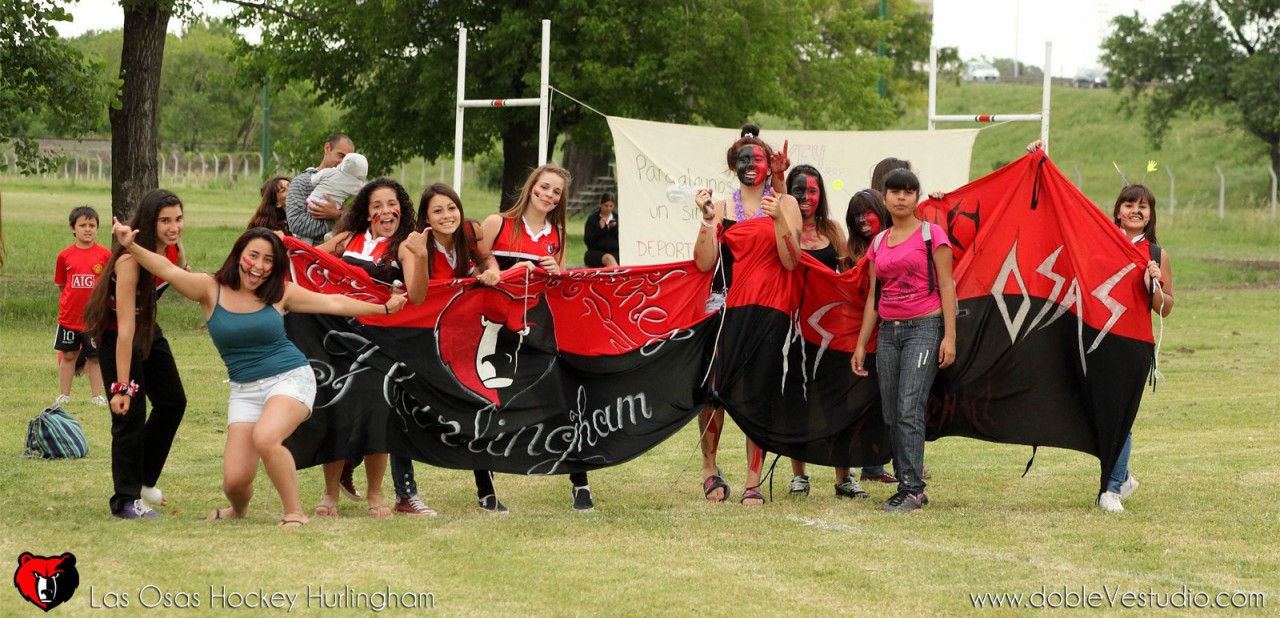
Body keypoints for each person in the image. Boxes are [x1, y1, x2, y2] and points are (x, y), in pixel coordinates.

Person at [109, 224, 408, 527]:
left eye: (268, 260)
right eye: (253, 256)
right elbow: (167, 269)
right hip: (245, 390)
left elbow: (334, 302)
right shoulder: (209, 289)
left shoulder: (280, 293)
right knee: (235, 482)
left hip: (290, 378)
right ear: (238, 254)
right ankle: (238, 510)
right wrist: (131, 246)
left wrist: (383, 308)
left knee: (266, 437)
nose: (259, 267)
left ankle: (294, 513)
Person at [477, 164, 598, 512]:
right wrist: (506, 272)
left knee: (560, 402)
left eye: (556, 192)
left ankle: (580, 484)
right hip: (495, 329)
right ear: (531, 186)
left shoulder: (556, 233)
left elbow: (559, 287)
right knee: (489, 404)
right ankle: (486, 491)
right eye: (544, 187)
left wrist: (558, 273)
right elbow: (476, 269)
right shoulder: (497, 223)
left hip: (537, 330)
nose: (548, 195)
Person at [693, 124, 802, 506]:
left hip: (769, 309)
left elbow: (792, 261)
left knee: (758, 391)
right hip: (725, 309)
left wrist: (778, 220)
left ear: (769, 164)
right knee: (714, 392)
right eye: (744, 159)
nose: (751, 165)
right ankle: (709, 468)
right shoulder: (722, 207)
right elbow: (703, 262)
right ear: (733, 165)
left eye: (758, 158)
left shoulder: (785, 203)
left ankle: (752, 480)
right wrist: (707, 220)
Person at [312, 178, 429, 518]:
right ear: (366, 213)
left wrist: (421, 256)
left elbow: (417, 295)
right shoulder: (348, 239)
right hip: (338, 335)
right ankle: (330, 494)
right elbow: (310, 260)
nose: (384, 211)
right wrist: (281, 245)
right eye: (376, 205)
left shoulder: (404, 246)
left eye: (391, 204)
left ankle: (376, 495)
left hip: (381, 341)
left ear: (401, 209)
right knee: (336, 412)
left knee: (379, 415)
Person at [384, 183, 500, 516]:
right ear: (425, 218)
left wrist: (492, 270)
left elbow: (485, 258)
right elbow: (418, 295)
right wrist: (421, 256)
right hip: (416, 338)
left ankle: (487, 492)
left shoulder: (470, 231)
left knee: (477, 404)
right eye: (437, 210)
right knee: (404, 409)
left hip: (459, 337)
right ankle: (404, 493)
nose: (447, 216)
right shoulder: (412, 244)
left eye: (451, 207)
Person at [852, 168, 957, 512]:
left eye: (908, 192)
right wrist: (861, 344)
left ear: (916, 198)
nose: (901, 197)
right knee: (891, 411)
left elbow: (947, 287)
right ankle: (904, 480)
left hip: (924, 328)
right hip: (887, 332)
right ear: (884, 198)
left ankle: (913, 489)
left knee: (910, 406)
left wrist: (950, 336)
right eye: (895, 191)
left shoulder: (932, 235)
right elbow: (873, 297)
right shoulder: (879, 242)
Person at [83, 189, 190, 519]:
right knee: (129, 414)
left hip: (147, 330)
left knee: (172, 402)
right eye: (165, 221)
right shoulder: (129, 262)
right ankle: (125, 500)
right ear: (150, 221)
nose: (174, 227)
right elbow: (125, 330)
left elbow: (183, 272)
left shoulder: (170, 249)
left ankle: (143, 480)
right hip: (118, 335)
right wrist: (122, 387)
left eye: (178, 219)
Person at [780, 166, 870, 500]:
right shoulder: (783, 228)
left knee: (838, 402)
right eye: (798, 191)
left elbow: (848, 276)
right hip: (793, 328)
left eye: (812, 191)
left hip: (832, 331)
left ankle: (844, 477)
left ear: (821, 195)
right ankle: (799, 475)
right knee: (798, 402)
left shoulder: (833, 230)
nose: (806, 198)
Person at [53, 206, 111, 407]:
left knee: (94, 357)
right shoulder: (64, 256)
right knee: (69, 355)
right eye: (83, 225)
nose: (87, 229)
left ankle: (97, 396)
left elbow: (108, 285)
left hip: (94, 319)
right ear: (73, 228)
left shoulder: (105, 255)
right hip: (69, 318)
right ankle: (64, 395)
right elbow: (62, 285)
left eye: (92, 225)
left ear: (97, 228)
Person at [286, 133, 355, 246]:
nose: (343, 163)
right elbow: (297, 224)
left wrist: (336, 214)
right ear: (327, 148)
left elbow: (357, 223)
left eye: (348, 160)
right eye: (341, 156)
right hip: (309, 254)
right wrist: (334, 220)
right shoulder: (302, 182)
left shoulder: (351, 188)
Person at [583, 192, 619, 267]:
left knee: (613, 258)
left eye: (611, 206)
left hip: (615, 252)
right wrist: (600, 229)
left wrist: (615, 228)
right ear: (600, 204)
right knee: (608, 258)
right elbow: (587, 240)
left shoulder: (617, 218)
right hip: (596, 253)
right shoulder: (593, 219)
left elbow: (623, 238)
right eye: (606, 206)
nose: (608, 208)